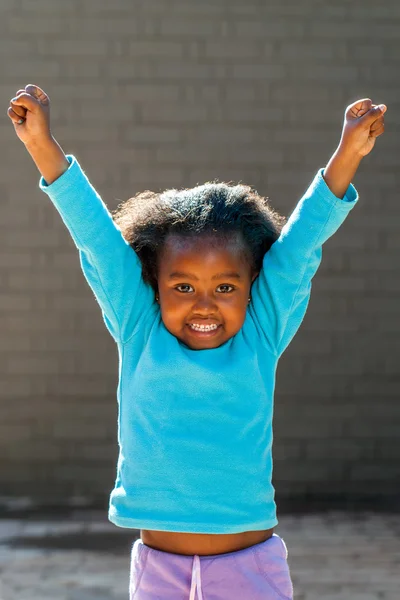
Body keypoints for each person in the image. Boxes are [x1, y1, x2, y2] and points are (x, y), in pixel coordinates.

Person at [8, 85, 386, 600]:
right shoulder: (139, 327)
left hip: (249, 571)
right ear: (153, 285)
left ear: (251, 289)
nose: (204, 305)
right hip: (159, 574)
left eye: (225, 288)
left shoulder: (259, 332)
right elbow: (95, 237)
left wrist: (347, 155)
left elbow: (299, 247)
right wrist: (41, 145)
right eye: (183, 287)